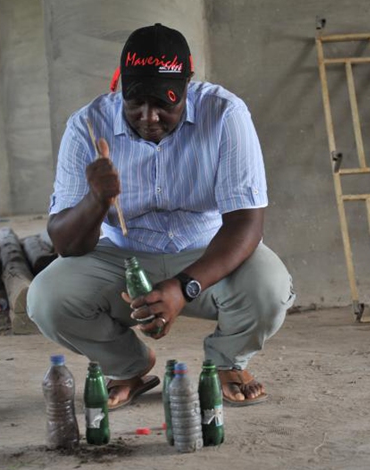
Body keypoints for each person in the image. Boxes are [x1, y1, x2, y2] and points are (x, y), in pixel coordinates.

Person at [27, 23, 294, 410]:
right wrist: (96, 201)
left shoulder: (225, 114)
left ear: (188, 84)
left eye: (165, 104)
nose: (149, 117)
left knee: (270, 287)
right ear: (119, 86)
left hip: (206, 252)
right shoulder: (86, 126)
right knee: (47, 298)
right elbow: (66, 244)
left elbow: (246, 225)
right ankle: (128, 366)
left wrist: (181, 288)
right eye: (136, 102)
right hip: (122, 256)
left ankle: (225, 363)